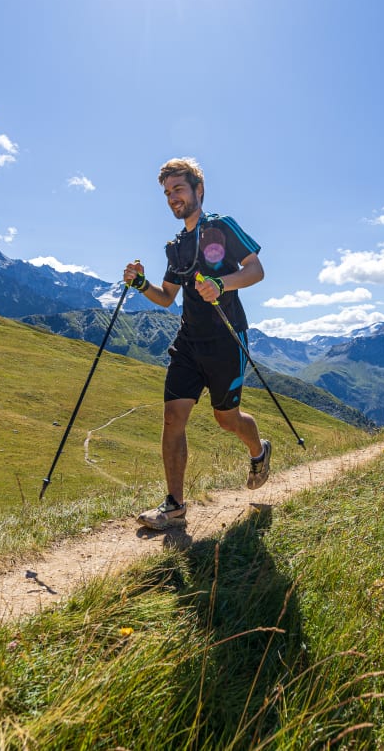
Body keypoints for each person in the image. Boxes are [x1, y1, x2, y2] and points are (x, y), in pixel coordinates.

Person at [123, 157, 271, 530]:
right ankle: (174, 506)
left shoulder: (221, 226)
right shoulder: (176, 246)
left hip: (226, 339)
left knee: (227, 420)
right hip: (188, 342)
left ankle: (259, 450)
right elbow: (167, 297)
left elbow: (256, 269)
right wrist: (140, 284)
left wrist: (222, 284)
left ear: (198, 191)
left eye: (179, 189)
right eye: (167, 192)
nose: (173, 197)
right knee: (173, 418)